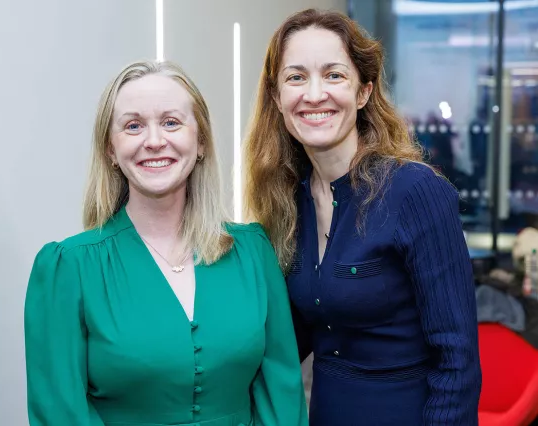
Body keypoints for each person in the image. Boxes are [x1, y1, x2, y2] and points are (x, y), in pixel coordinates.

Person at [24, 60, 308, 426]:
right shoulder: (68, 269)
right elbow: (59, 414)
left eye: (171, 122)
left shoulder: (252, 253)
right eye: (133, 126)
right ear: (111, 149)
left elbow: (282, 399)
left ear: (200, 140)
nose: (154, 141)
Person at [243, 9, 482, 426]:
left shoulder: (415, 192)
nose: (314, 94)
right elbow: (286, 341)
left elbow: (457, 360)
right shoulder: (286, 201)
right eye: (296, 77)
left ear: (363, 92)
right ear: (277, 96)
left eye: (334, 75)